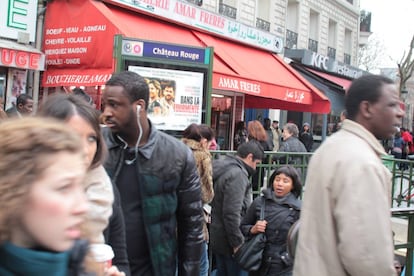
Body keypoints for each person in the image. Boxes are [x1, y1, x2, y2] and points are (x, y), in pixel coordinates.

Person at [293, 75, 404, 276]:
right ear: (367, 108)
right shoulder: (363, 162)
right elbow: (368, 258)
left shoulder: (331, 147)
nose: (399, 113)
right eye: (392, 105)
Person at [100, 71, 204, 275]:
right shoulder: (94, 144)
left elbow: (191, 227)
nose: (106, 113)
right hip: (101, 267)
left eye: (114, 104)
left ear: (139, 106)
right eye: (104, 105)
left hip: (154, 269)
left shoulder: (177, 155)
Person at [38, 93, 130, 275]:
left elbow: (120, 259)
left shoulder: (105, 189)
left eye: (91, 138)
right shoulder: (24, 190)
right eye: (72, 137)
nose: (84, 149)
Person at [0, 117, 105, 275]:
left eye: (81, 186)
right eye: (64, 188)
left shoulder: (84, 266)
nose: (83, 206)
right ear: (13, 191)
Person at [210, 140, 264, 276]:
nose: (256, 168)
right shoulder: (238, 175)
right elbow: (231, 213)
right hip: (230, 242)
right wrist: (237, 243)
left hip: (219, 236)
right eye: (256, 163)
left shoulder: (225, 167)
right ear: (250, 157)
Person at [241, 165, 302, 276]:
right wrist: (253, 229)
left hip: (283, 266)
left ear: (293, 185)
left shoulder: (299, 209)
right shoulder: (260, 202)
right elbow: (243, 226)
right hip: (258, 262)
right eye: (277, 179)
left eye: (285, 181)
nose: (280, 184)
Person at [181, 123, 215, 276]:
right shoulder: (203, 156)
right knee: (201, 263)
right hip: (194, 216)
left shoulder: (174, 151)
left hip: (172, 216)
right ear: (203, 141)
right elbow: (207, 193)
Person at [248, 120, 272, 193]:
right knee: (256, 191)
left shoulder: (250, 143)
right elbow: (268, 158)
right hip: (260, 170)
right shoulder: (265, 142)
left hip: (250, 170)